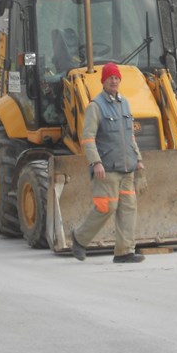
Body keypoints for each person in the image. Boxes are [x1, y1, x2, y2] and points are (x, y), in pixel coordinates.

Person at [71, 62, 146, 263]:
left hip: (127, 167)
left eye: (116, 77)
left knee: (128, 208)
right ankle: (79, 238)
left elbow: (130, 136)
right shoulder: (95, 107)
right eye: (110, 78)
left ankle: (124, 252)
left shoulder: (125, 104)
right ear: (103, 81)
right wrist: (96, 162)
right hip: (108, 168)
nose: (114, 81)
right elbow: (87, 138)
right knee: (107, 207)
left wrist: (138, 158)